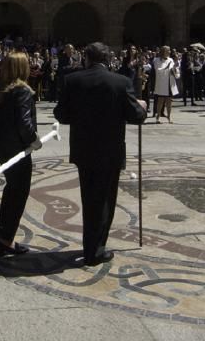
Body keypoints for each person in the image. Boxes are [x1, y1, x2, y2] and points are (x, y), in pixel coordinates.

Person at [54, 42, 147, 267]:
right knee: (105, 200)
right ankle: (95, 250)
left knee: (90, 199)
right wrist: (142, 106)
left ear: (86, 58)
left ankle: (91, 247)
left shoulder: (73, 81)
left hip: (84, 149)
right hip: (110, 150)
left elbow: (61, 115)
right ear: (108, 60)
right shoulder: (121, 82)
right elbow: (136, 116)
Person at [0, 53, 40, 256]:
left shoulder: (1, 89)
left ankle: (4, 232)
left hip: (2, 146)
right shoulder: (22, 91)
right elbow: (24, 122)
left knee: (11, 189)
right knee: (18, 193)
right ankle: (6, 239)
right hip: (17, 148)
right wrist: (33, 140)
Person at [151, 46, 179, 123]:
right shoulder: (157, 60)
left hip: (170, 83)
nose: (169, 52)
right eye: (168, 50)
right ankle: (158, 117)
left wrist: (175, 68)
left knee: (169, 101)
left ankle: (169, 117)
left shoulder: (171, 60)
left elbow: (175, 71)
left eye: (169, 50)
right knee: (160, 100)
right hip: (162, 83)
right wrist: (167, 68)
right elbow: (158, 70)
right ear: (163, 51)